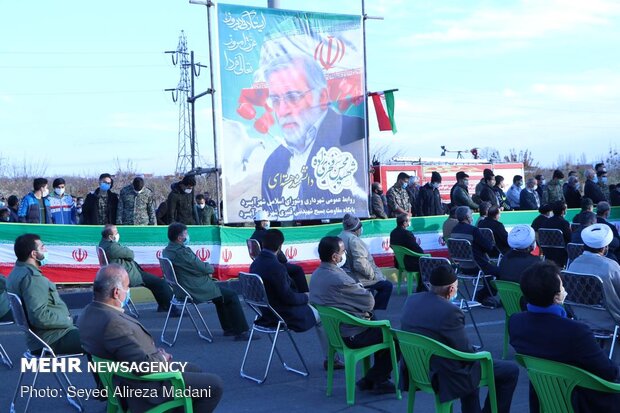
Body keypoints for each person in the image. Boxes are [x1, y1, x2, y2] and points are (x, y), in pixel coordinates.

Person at [78, 264, 223, 412]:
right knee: (215, 385)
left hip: (123, 377)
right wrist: (161, 357)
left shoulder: (87, 313)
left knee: (194, 369)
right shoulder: (113, 324)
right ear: (116, 292)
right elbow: (143, 366)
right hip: (144, 387)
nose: (128, 292)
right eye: (127, 287)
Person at [260, 54, 366, 219]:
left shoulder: (351, 134)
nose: (282, 111)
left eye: (292, 97)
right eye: (275, 100)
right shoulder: (273, 164)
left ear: (322, 97)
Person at [401, 265, 519, 413]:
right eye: (456, 287)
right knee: (509, 370)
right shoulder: (450, 311)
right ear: (451, 290)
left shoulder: (411, 300)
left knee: (466, 367)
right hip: (442, 374)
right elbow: (466, 353)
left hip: (416, 368)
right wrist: (477, 354)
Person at [509, 261, 620, 413]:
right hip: (585, 402)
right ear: (556, 297)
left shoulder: (516, 322)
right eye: (562, 286)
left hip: (545, 399)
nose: (564, 289)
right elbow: (609, 372)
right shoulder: (576, 332)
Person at [309, 236, 397, 394]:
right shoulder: (340, 279)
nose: (345, 255)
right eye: (343, 252)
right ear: (335, 257)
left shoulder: (316, 274)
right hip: (352, 334)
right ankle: (376, 378)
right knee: (395, 339)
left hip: (336, 333)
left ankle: (373, 378)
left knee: (379, 328)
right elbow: (369, 302)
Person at [249, 229, 338, 369]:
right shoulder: (276, 267)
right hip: (282, 314)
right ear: (280, 247)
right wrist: (306, 297)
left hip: (265, 313)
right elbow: (288, 298)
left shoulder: (255, 263)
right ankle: (332, 359)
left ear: (263, 244)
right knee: (324, 315)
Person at [163, 223, 250, 340]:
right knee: (231, 295)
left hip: (180, 289)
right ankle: (242, 331)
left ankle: (229, 329)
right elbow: (202, 267)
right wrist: (209, 269)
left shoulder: (167, 251)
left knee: (221, 297)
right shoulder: (182, 252)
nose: (188, 236)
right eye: (186, 233)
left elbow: (191, 268)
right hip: (193, 288)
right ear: (180, 238)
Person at [7, 233, 81, 354]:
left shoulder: (16, 272)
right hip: (53, 338)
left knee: (91, 324)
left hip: (41, 337)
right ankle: (109, 372)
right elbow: (40, 317)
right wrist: (68, 320)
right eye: (42, 247)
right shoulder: (32, 278)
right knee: (101, 339)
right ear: (33, 254)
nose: (46, 250)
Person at [99, 225, 176, 315]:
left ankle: (164, 305)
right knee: (160, 283)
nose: (118, 234)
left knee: (155, 283)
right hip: (129, 274)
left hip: (125, 272)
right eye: (116, 232)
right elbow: (131, 254)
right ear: (110, 237)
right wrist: (125, 250)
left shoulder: (103, 243)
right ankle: (172, 309)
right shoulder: (112, 247)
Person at [567, 223, 620, 330]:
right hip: (611, 320)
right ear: (605, 247)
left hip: (580, 317)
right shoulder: (611, 266)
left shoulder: (573, 265)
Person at [339, 213, 393, 310]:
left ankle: (370, 312)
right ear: (357, 229)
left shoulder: (341, 236)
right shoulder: (354, 240)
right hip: (360, 278)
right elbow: (360, 264)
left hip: (348, 276)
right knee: (387, 286)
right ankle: (372, 311)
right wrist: (372, 276)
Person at [450, 206, 500, 306]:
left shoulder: (454, 230)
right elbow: (488, 248)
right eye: (471, 215)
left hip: (462, 267)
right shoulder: (473, 230)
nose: (472, 218)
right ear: (467, 217)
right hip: (477, 266)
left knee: (489, 269)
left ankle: (486, 296)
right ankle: (483, 295)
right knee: (499, 271)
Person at [250, 210, 308, 293]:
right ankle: (305, 294)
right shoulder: (268, 235)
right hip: (272, 265)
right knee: (298, 269)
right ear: (262, 222)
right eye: (266, 221)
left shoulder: (254, 235)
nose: (267, 222)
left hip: (260, 265)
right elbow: (281, 257)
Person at [390, 213, 426, 292]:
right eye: (408, 221)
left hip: (399, 262)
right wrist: (425, 255)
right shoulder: (407, 234)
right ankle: (422, 287)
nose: (409, 223)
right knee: (425, 261)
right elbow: (417, 250)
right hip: (409, 263)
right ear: (404, 223)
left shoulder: (393, 233)